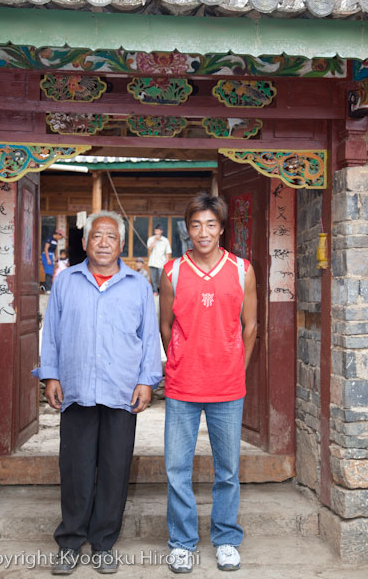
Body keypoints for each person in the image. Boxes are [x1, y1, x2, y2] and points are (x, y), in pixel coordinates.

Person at [33, 211, 162, 575]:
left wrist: (146, 381)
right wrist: (51, 376)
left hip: (122, 391)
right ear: (85, 242)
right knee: (75, 468)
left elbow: (149, 338)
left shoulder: (138, 285)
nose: (103, 243)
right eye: (97, 236)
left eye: (111, 237)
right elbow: (52, 332)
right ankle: (70, 542)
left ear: (121, 244)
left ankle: (104, 543)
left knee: (114, 469)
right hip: (76, 389)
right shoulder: (66, 281)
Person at [159, 193, 257, 574]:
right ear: (188, 228)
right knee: (176, 468)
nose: (203, 232)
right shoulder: (172, 271)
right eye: (196, 225)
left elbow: (251, 326)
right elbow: (165, 325)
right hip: (183, 385)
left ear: (221, 228)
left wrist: (237, 367)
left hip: (227, 387)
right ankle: (182, 542)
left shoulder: (241, 270)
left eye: (211, 225)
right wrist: (179, 360)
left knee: (227, 469)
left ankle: (226, 538)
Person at [147, 224, 171, 295]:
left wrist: (167, 262)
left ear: (161, 231)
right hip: (152, 262)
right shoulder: (151, 239)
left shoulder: (165, 240)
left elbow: (168, 252)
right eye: (156, 230)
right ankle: (155, 291)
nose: (157, 232)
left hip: (161, 263)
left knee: (162, 279)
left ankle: (162, 292)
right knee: (153, 279)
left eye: (158, 230)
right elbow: (149, 248)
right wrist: (155, 240)